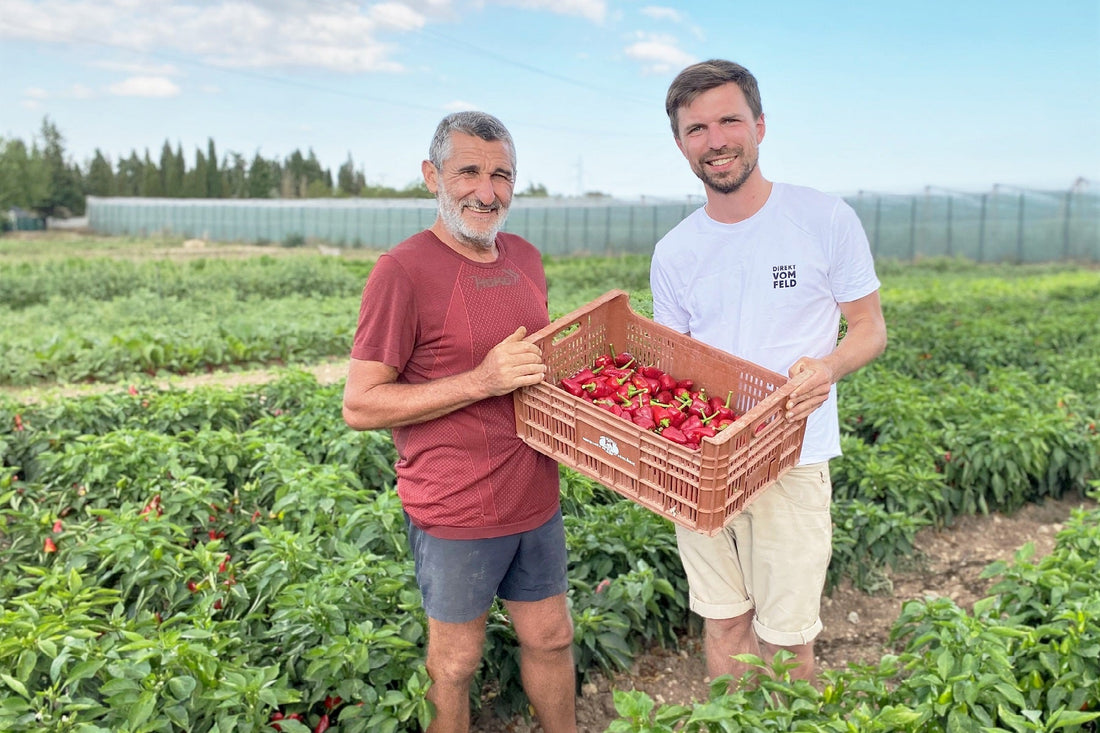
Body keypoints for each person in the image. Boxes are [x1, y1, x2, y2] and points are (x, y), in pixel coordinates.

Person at [650, 59, 888, 687]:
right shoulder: (675, 252)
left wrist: (829, 366)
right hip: (703, 466)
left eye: (729, 120)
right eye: (696, 128)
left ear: (759, 125)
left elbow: (869, 328)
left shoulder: (822, 218)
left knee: (787, 638)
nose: (716, 139)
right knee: (725, 620)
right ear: (680, 145)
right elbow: (672, 372)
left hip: (793, 456)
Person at [342, 111, 577, 733]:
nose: (486, 190)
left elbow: (534, 369)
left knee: (551, 637)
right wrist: (483, 381)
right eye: (468, 171)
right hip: (456, 507)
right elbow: (361, 403)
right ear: (432, 177)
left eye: (501, 174)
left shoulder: (525, 256)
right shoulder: (403, 271)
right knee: (455, 663)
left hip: (535, 495)